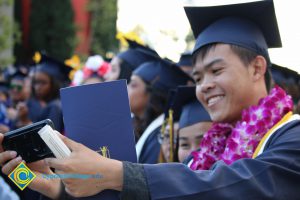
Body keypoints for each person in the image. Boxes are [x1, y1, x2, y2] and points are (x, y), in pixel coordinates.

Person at [1, 0, 300, 199]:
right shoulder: (205, 152)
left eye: (216, 70)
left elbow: (235, 186)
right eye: (197, 78)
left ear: (258, 68)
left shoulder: (292, 139)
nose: (205, 86)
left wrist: (115, 172)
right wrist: (37, 181)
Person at [129, 58, 194, 163]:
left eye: (133, 85)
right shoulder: (145, 127)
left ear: (152, 93)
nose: (126, 89)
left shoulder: (160, 136)